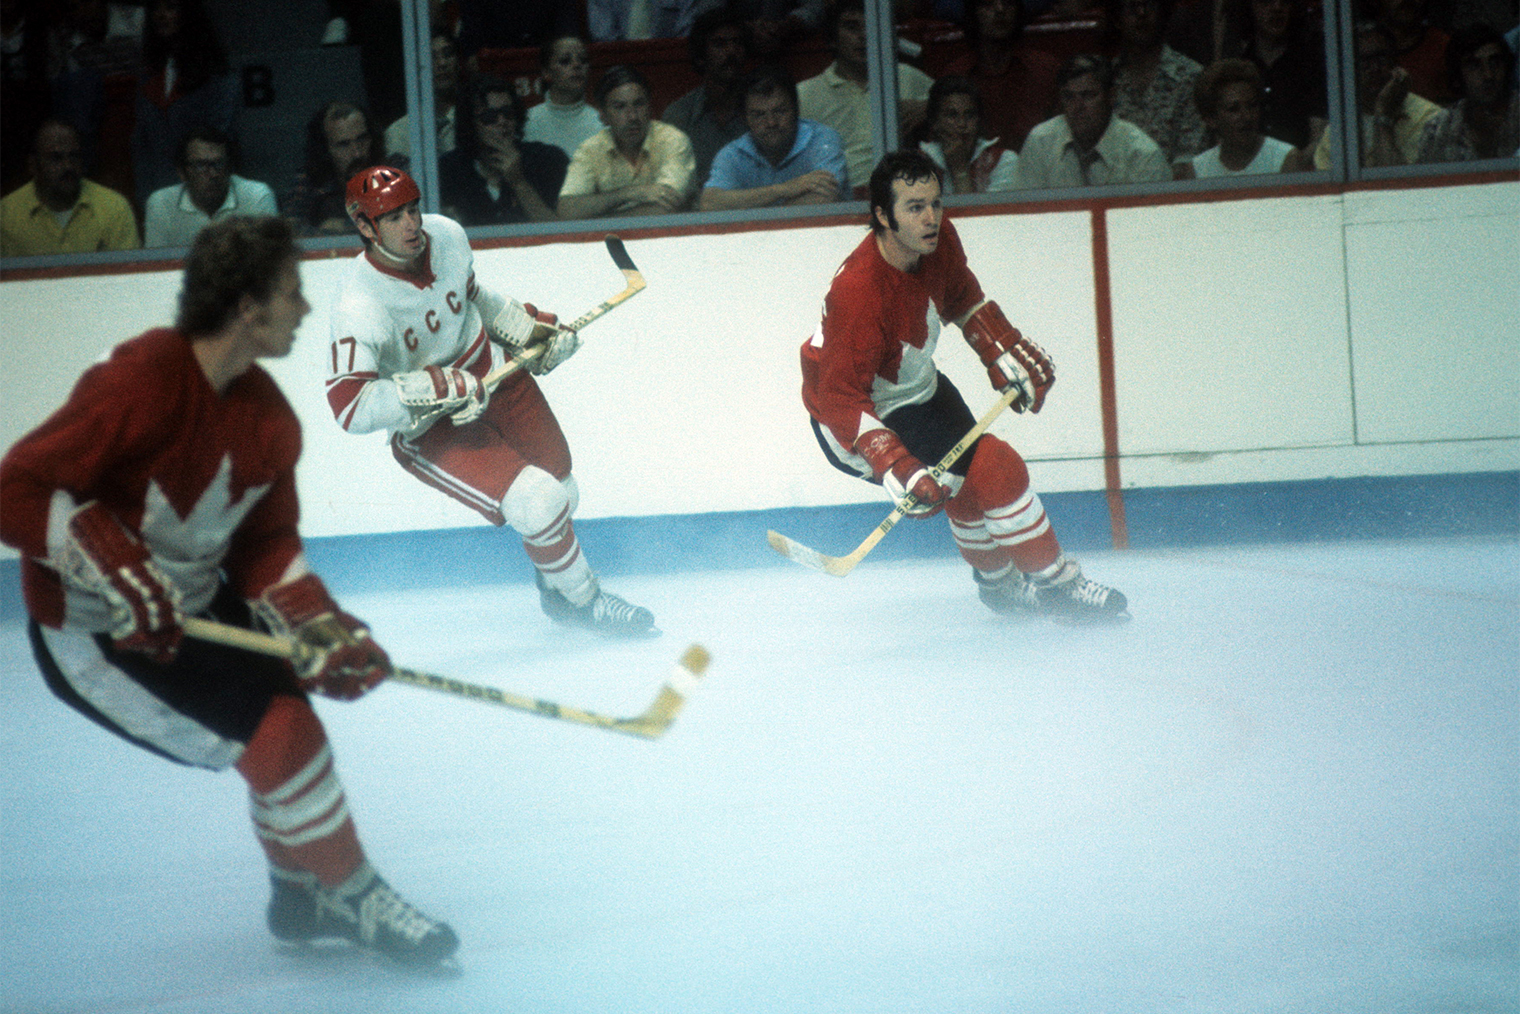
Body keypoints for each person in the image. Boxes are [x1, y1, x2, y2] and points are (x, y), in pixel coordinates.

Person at [0, 215, 457, 966]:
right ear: (247, 305)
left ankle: (301, 897)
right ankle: (354, 892)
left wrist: (317, 621)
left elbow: (265, 545)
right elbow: (17, 486)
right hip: (96, 636)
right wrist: (100, 555)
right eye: (290, 293)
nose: (304, 309)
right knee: (281, 740)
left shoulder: (269, 420)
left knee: (291, 730)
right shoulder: (141, 377)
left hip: (195, 607)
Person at [797, 149, 1128, 620]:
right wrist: (895, 464)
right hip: (858, 415)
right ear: (881, 216)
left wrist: (1002, 348)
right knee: (996, 466)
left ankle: (998, 585)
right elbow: (840, 398)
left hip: (919, 388)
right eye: (914, 207)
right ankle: (1058, 585)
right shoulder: (858, 291)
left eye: (935, 203)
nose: (931, 218)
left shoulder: (939, 241)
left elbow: (960, 296)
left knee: (970, 484)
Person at [329, 166, 656, 635]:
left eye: (412, 209)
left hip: (495, 374)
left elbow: (472, 297)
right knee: (539, 504)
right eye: (393, 217)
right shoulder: (359, 305)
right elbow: (350, 407)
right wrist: (436, 389)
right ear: (364, 226)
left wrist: (530, 331)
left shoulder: (446, 235)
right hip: (432, 423)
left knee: (563, 492)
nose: (412, 224)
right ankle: (587, 601)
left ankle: (558, 589)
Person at [798, 0, 935, 197]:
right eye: (852, 27)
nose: (863, 35)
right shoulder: (805, 94)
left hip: (901, 196)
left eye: (869, 26)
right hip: (834, 200)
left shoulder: (905, 76)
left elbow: (960, 103)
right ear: (832, 38)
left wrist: (928, 107)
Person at [130, 0, 238, 210]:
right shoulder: (147, 74)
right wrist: (146, 199)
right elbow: (141, 144)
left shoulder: (215, 73)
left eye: (170, 7)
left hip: (207, 196)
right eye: (156, 8)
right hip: (160, 195)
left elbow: (220, 138)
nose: (161, 15)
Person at [558, 65, 697, 218]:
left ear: (650, 107)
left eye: (639, 104)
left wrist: (595, 220)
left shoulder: (673, 140)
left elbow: (664, 210)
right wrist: (631, 193)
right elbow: (566, 210)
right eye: (620, 107)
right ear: (603, 116)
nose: (632, 117)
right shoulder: (590, 149)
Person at [700, 64, 848, 209]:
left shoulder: (822, 139)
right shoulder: (733, 154)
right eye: (759, 115)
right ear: (744, 118)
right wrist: (784, 189)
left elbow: (826, 197)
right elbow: (709, 203)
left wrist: (753, 210)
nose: (771, 122)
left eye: (779, 111)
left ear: (796, 109)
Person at [1014, 54, 1172, 188]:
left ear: (1111, 96)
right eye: (1069, 97)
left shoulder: (1142, 155)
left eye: (1088, 95)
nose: (1078, 106)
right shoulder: (1040, 142)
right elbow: (1024, 215)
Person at [1311, 20, 1441, 170]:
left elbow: (1398, 187)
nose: (1374, 69)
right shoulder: (1339, 131)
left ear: (1396, 62)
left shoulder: (1431, 119)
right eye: (1363, 61)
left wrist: (1383, 116)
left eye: (1381, 58)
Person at [440, 74, 569, 225]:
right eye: (490, 116)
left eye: (508, 113)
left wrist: (518, 182)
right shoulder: (448, 170)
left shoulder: (548, 160)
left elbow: (561, 233)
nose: (502, 122)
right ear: (470, 124)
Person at [1, 118, 139, 256]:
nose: (68, 166)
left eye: (74, 156)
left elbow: (129, 273)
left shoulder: (114, 207)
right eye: (56, 158)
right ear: (33, 165)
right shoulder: (6, 214)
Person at [938, 0, 1060, 154]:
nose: (1000, 9)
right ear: (973, 12)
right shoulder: (956, 74)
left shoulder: (1045, 69)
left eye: (1008, 2)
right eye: (988, 3)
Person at [143, 124, 278, 248]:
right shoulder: (161, 203)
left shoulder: (257, 196)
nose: (212, 174)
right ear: (182, 172)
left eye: (218, 164)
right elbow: (156, 267)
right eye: (201, 165)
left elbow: (271, 260)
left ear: (230, 168)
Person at [660, 5, 752, 186]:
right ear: (701, 55)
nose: (731, 51)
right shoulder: (678, 117)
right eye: (720, 44)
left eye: (737, 43)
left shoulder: (763, 111)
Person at [1107, 0, 1208, 164]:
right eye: (1132, 6)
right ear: (1117, 19)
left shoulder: (1191, 76)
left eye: (1149, 4)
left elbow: (1191, 159)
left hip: (1176, 187)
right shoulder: (1106, 81)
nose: (1142, 13)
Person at [1177, 57, 1301, 176]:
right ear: (1211, 119)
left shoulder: (1286, 159)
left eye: (1252, 105)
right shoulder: (1198, 169)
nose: (1247, 117)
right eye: (1233, 109)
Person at [1416, 22, 1519, 163]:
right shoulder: (1439, 130)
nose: (1488, 75)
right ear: (1458, 74)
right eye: (1474, 66)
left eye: (1495, 63)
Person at [285, 101, 386, 237]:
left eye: (362, 139)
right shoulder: (310, 179)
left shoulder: (394, 170)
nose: (357, 153)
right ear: (325, 150)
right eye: (344, 144)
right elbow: (289, 230)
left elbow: (413, 219)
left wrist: (342, 227)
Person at [916, 75, 1017, 193]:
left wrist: (960, 170)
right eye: (952, 115)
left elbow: (988, 211)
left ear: (979, 120)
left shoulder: (1003, 160)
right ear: (934, 122)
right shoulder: (916, 164)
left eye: (970, 115)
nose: (962, 124)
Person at [523, 34, 605, 161]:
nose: (577, 65)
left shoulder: (602, 124)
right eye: (565, 61)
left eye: (583, 60)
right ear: (546, 72)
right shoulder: (527, 122)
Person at [383, 29, 461, 162]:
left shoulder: (477, 123)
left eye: (448, 54)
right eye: (431, 57)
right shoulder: (398, 134)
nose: (442, 63)